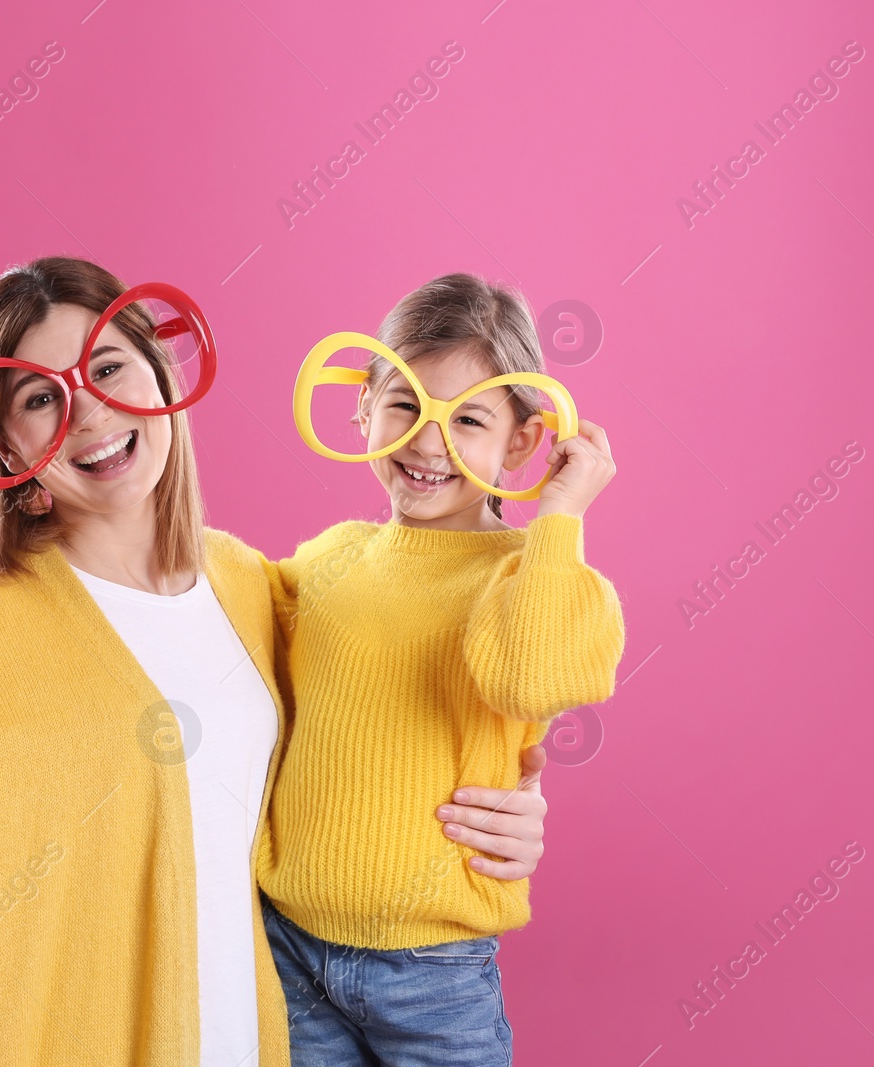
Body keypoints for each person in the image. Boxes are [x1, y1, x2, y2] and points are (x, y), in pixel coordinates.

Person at [0, 257, 549, 1066]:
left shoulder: (247, 585)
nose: (87, 410)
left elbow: (373, 705)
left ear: (159, 375)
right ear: (6, 445)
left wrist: (512, 801)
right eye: (41, 397)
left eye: (108, 366)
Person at [258, 273, 625, 1065]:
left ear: (522, 443)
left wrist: (559, 515)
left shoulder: (534, 577)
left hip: (433, 971)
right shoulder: (327, 560)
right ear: (362, 408)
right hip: (290, 949)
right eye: (404, 404)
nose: (428, 442)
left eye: (468, 419)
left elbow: (531, 679)